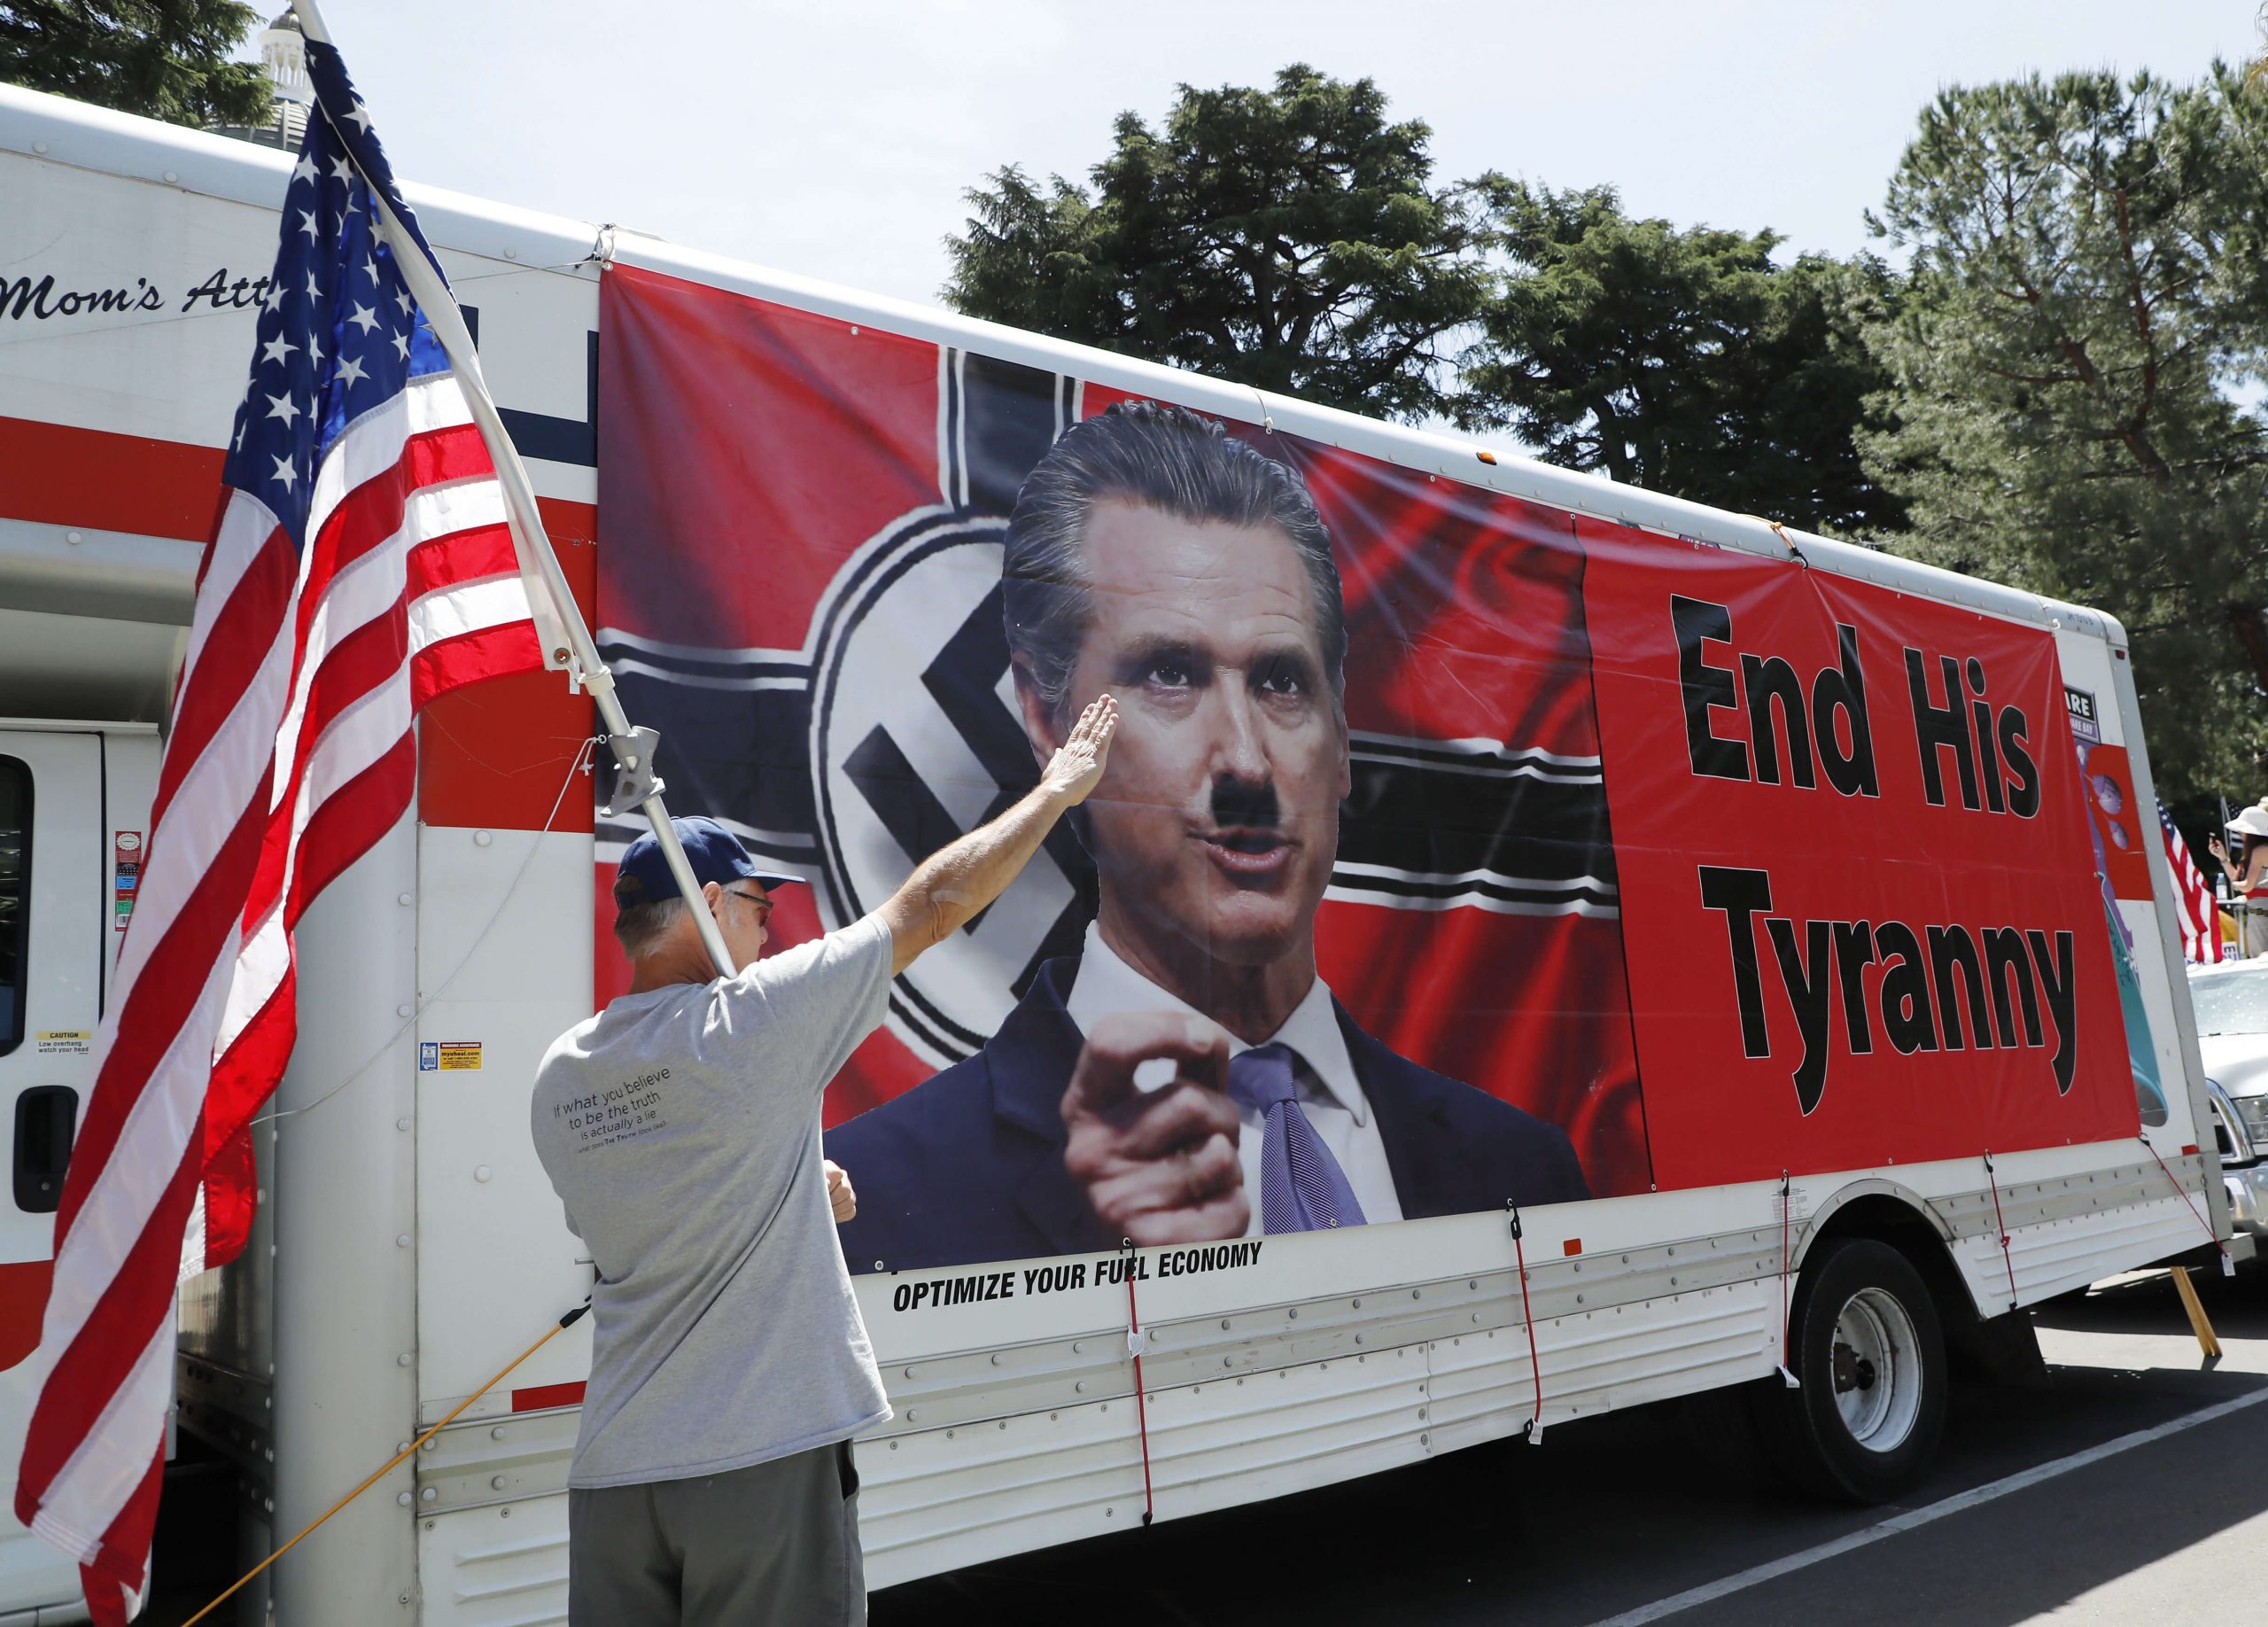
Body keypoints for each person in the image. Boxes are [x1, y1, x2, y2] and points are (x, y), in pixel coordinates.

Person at [832, 401, 1588, 1275]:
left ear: (1341, 740)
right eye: (1170, 673)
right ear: (1048, 723)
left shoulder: (1521, 1167)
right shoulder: (876, 1202)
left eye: (1281, 681)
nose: (1246, 762)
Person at [530, 697, 1117, 1627]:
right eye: (759, 909)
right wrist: (1055, 793)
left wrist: (794, 1179)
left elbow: (664, 1206)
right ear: (711, 906)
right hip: (757, 1459)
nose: (768, 934)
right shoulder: (749, 1021)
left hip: (614, 1475)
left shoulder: (561, 1073)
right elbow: (932, 907)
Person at [2210, 803, 2268, 957]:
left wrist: (2237, 886)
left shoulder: (2260, 851)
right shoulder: (2261, 850)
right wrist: (2223, 858)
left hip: (2261, 914)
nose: (2241, 834)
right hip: (2260, 913)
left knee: (2261, 961)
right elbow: (2243, 881)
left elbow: (2247, 885)